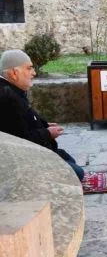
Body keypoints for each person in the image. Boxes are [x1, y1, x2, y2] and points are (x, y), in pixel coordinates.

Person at [0, 49, 84, 181]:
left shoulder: (13, 91)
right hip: (22, 163)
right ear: (14, 73)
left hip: (33, 154)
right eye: (29, 69)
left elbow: (25, 119)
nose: (34, 73)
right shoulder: (6, 97)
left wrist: (43, 125)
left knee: (70, 161)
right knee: (76, 173)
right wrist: (47, 133)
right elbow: (18, 140)